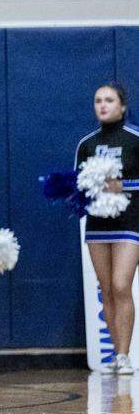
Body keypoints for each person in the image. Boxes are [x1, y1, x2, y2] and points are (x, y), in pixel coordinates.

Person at [77, 83, 139, 374]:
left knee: (120, 285)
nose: (103, 105)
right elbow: (78, 186)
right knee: (106, 289)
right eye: (98, 100)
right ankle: (117, 354)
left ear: (122, 106)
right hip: (97, 225)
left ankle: (125, 354)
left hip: (130, 222)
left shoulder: (135, 138)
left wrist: (123, 186)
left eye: (109, 100)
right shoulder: (87, 143)